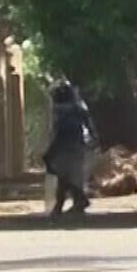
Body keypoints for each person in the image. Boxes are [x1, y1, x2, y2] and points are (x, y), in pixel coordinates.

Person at [42, 82, 95, 218]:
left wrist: (51, 151)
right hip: (78, 146)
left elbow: (60, 132)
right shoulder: (79, 109)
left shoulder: (59, 111)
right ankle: (74, 203)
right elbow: (89, 127)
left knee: (64, 177)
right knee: (69, 177)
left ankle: (70, 203)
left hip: (64, 147)